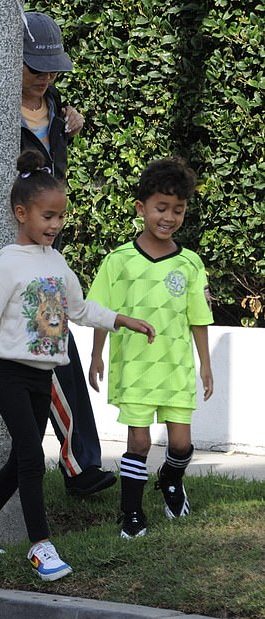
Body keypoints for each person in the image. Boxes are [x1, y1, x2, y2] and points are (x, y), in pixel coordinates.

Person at [0, 150, 155, 579]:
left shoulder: (56, 262)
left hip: (43, 376)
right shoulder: (4, 265)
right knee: (31, 454)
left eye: (60, 217)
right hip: (9, 373)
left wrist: (121, 320)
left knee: (20, 458)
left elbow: (79, 309)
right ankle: (40, 546)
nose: (55, 225)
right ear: (21, 213)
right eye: (47, 216)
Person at [0, 11, 116, 498]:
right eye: (35, 69)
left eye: (51, 70)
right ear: (8, 63)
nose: (45, 79)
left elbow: (50, 172)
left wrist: (68, 130)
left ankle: (78, 464)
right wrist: (7, 205)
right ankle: (78, 466)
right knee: (54, 350)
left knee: (57, 350)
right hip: (10, 261)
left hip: (42, 258)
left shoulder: (56, 107)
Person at [87, 157, 214, 539]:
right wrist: (97, 354)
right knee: (138, 441)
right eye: (161, 208)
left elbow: (199, 318)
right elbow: (102, 312)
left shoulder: (190, 264)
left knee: (181, 442)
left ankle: (171, 479)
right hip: (136, 366)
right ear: (142, 208)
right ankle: (131, 512)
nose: (169, 217)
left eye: (178, 210)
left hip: (175, 366)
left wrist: (205, 365)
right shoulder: (118, 261)